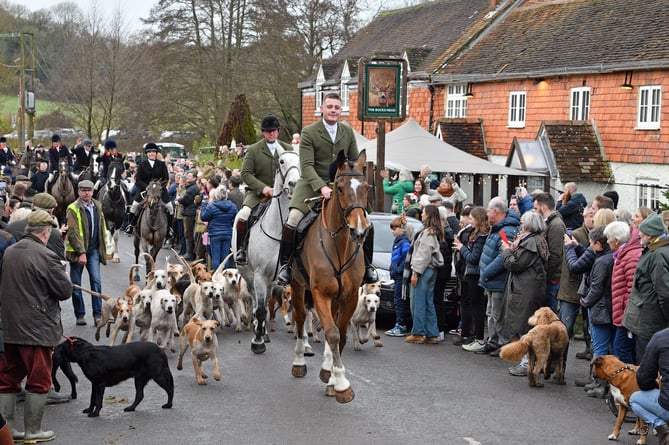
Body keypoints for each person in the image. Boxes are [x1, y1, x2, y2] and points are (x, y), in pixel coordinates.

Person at [277, 93, 376, 285]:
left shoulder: (347, 132)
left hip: (343, 186)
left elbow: (354, 162)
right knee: (294, 219)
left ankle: (368, 267)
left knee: (367, 221)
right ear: (322, 109)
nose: (333, 110)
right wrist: (322, 187)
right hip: (311, 184)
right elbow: (306, 166)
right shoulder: (309, 132)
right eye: (329, 106)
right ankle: (285, 266)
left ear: (340, 110)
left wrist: (352, 180)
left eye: (337, 107)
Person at [0, 210, 73, 443]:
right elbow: (64, 291)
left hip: (10, 326)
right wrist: (61, 269)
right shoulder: (46, 255)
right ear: (46, 232)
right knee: (39, 379)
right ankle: (33, 431)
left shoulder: (10, 251)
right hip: (37, 328)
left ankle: (8, 430)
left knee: (8, 378)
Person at [234, 115, 293, 265]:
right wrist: (263, 188)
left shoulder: (288, 149)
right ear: (263, 133)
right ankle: (242, 248)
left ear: (278, 132)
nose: (271, 133)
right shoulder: (254, 150)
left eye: (273, 131)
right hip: (257, 193)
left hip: (283, 194)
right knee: (244, 214)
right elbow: (245, 173)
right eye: (268, 131)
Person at [501, 211, 549, 377]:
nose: (521, 225)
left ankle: (528, 363)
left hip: (527, 290)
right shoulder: (532, 240)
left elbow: (515, 264)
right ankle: (531, 362)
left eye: (523, 222)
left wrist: (507, 251)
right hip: (527, 288)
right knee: (525, 325)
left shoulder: (532, 242)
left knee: (526, 326)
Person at [475, 197, 520, 356]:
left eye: (488, 210)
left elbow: (503, 257)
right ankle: (493, 342)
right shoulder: (499, 228)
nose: (486, 213)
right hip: (491, 281)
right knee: (492, 314)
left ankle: (502, 344)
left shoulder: (505, 230)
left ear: (496, 212)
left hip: (498, 281)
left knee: (499, 315)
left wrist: (486, 272)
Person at [622, 212, 669, 363]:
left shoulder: (657, 255)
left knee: (646, 366)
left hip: (650, 322)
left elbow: (664, 292)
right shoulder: (655, 250)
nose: (638, 234)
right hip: (648, 320)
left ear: (650, 235)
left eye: (641, 231)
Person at [579, 226, 615, 397]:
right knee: (607, 346)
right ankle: (600, 382)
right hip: (607, 308)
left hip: (601, 310)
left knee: (600, 348)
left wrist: (586, 302)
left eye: (592, 243)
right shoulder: (610, 257)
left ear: (599, 245)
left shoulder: (602, 261)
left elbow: (596, 287)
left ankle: (600, 384)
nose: (590, 246)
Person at [66, 180, 108, 326]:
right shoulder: (73, 208)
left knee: (96, 282)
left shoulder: (97, 205)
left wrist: (104, 248)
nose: (86, 193)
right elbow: (73, 232)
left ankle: (97, 315)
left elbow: (101, 228)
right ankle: (80, 314)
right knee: (76, 285)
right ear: (78, 192)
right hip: (78, 252)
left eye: (89, 190)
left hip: (94, 250)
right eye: (83, 190)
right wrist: (81, 252)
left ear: (92, 192)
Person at [404, 205, 444, 344]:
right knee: (428, 302)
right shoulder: (431, 231)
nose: (421, 214)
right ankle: (432, 333)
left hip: (424, 270)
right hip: (431, 270)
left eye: (423, 213)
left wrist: (416, 272)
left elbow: (423, 254)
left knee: (418, 302)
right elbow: (415, 242)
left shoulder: (428, 232)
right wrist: (406, 225)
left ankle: (418, 333)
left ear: (428, 215)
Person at [605, 220, 642, 364]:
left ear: (617, 241)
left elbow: (632, 289)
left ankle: (631, 383)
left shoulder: (630, 257)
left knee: (621, 348)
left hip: (628, 316)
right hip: (624, 314)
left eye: (609, 238)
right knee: (623, 348)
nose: (607, 241)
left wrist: (628, 316)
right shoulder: (623, 254)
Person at [454, 206, 489, 351]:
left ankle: (479, 338)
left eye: (472, 218)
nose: (470, 220)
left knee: (477, 307)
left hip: (475, 274)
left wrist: (461, 247)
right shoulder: (477, 234)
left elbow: (473, 258)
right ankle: (476, 337)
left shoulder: (480, 236)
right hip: (473, 273)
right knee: (474, 306)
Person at [629, 326, 669, 445]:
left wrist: (658, 387)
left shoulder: (660, 338)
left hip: (667, 404)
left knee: (635, 399)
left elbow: (643, 379)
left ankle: (663, 429)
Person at [125, 143, 173, 237]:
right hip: (144, 190)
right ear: (147, 154)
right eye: (149, 152)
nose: (151, 153)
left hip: (159, 190)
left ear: (156, 153)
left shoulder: (162, 164)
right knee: (134, 206)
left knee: (170, 207)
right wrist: (146, 186)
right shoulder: (142, 164)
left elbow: (166, 179)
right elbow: (138, 179)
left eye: (153, 152)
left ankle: (169, 229)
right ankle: (131, 225)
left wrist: (159, 187)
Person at [5, 192, 66, 261]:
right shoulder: (55, 234)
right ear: (51, 211)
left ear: (32, 206)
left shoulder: (11, 227)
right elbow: (59, 262)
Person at [533, 192, 566, 312]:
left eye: (536, 208)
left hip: (552, 279)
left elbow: (555, 256)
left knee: (549, 315)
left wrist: (544, 273)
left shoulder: (556, 226)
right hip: (548, 278)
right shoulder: (548, 223)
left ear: (544, 208)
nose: (534, 211)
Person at [385, 216, 412, 337]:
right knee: (399, 300)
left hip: (400, 276)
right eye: (392, 228)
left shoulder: (404, 242)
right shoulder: (398, 241)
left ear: (401, 229)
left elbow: (407, 257)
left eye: (395, 228)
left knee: (399, 300)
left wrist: (398, 269)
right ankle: (400, 323)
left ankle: (401, 324)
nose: (392, 231)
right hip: (397, 275)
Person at [200, 186, 237, 271]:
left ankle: (216, 276)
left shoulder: (212, 207)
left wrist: (203, 205)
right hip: (228, 233)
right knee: (225, 257)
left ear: (217, 196)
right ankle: (224, 276)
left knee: (215, 257)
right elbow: (235, 219)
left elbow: (203, 217)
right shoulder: (233, 207)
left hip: (215, 234)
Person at [177, 170, 200, 260]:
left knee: (188, 233)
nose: (187, 177)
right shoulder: (190, 187)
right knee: (188, 233)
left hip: (189, 212)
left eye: (190, 176)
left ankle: (189, 253)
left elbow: (186, 199)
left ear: (194, 178)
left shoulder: (192, 188)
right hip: (188, 211)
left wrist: (179, 199)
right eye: (187, 176)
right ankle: (189, 252)